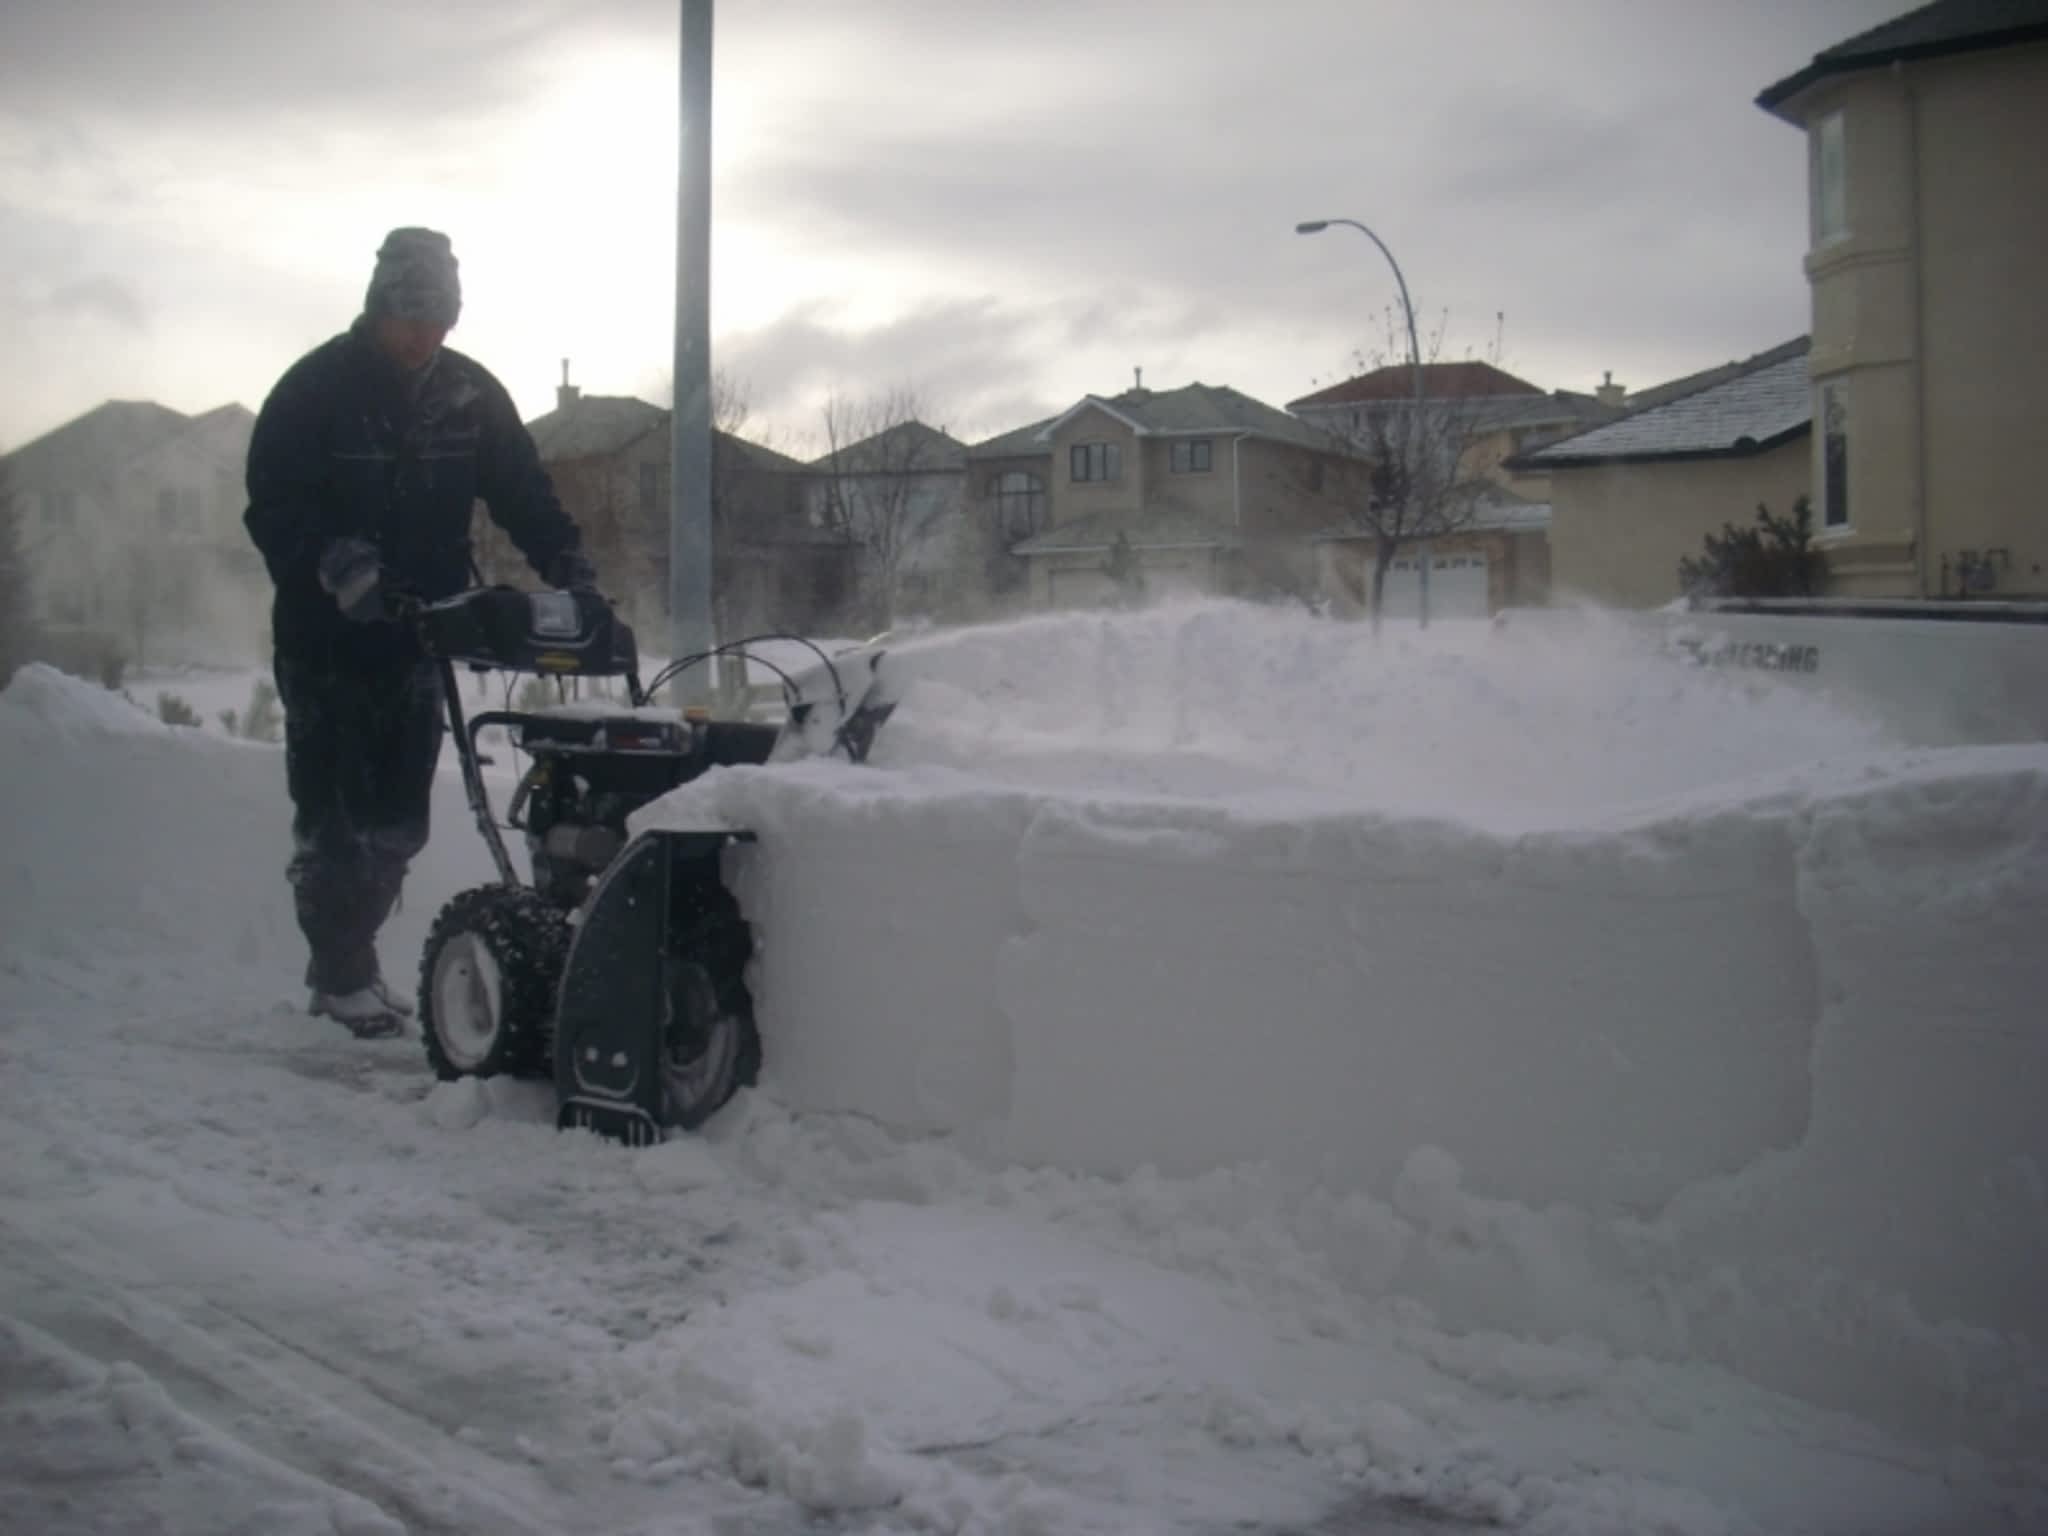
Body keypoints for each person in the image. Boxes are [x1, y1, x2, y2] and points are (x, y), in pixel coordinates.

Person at [245, 227, 597, 1038]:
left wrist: (569, 564)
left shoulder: (470, 397)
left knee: (399, 817)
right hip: (325, 638)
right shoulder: (314, 391)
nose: (425, 338)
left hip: (420, 636)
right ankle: (338, 971)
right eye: (412, 321)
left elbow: (523, 494)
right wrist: (335, 564)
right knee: (335, 815)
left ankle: (349, 957)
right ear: (377, 312)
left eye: (440, 323)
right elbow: (273, 508)